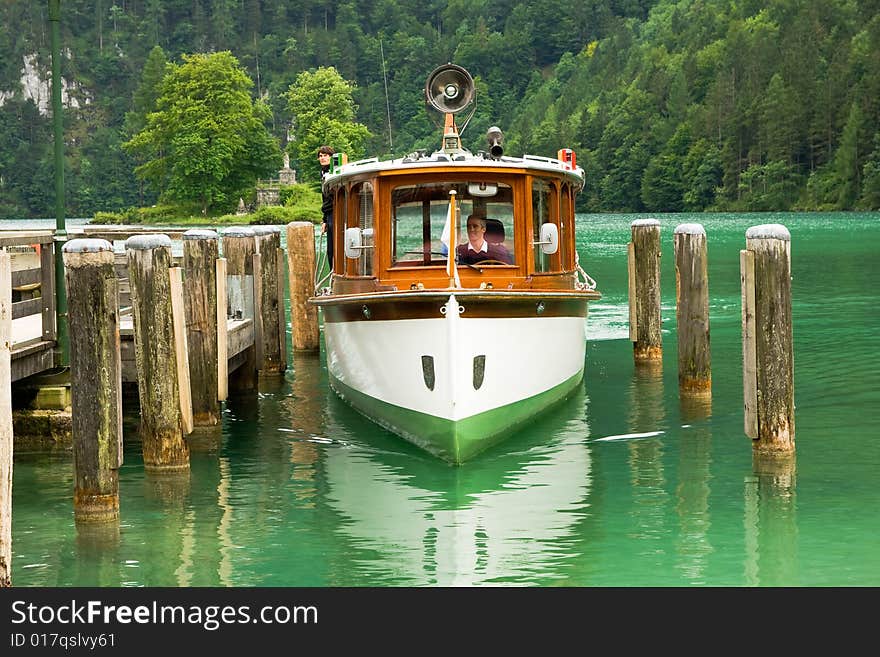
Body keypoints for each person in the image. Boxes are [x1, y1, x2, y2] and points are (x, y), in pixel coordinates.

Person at [317, 145, 335, 269]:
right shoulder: (323, 174)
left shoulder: (334, 172)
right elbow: (325, 199)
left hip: (336, 213)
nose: (322, 158)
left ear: (331, 157)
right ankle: (333, 274)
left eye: (325, 156)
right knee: (330, 251)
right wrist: (324, 220)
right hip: (329, 214)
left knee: (335, 249)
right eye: (320, 156)